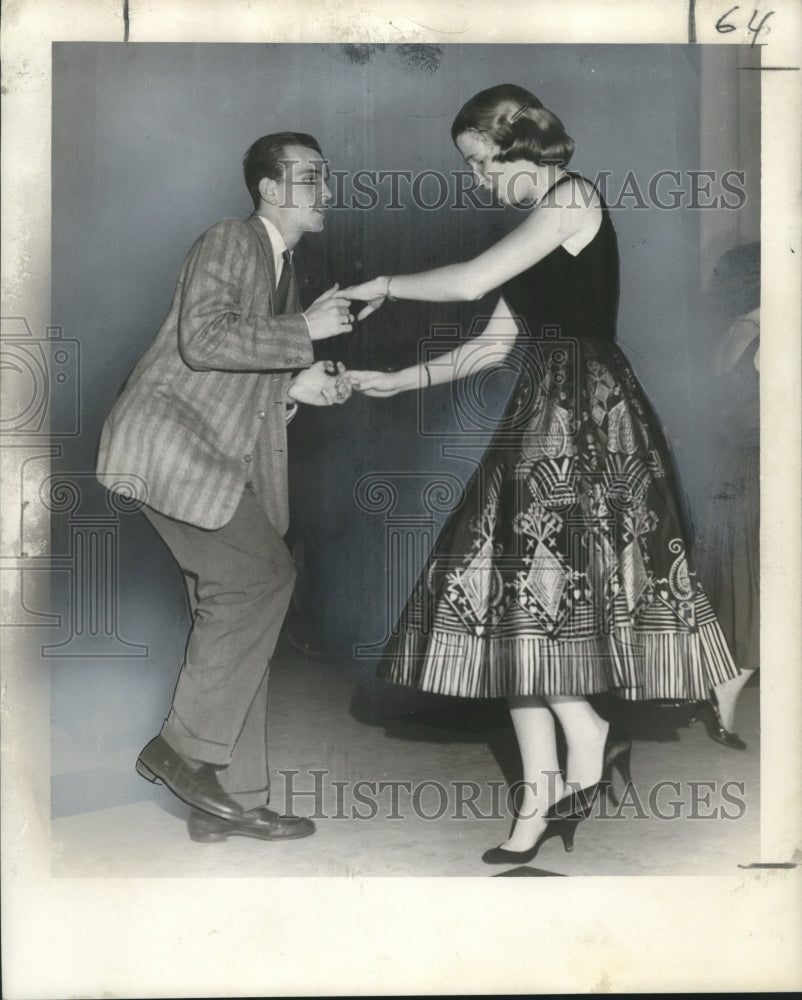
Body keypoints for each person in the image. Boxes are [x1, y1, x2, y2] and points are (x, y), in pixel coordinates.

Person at [342, 84, 741, 864]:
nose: (477, 178)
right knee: (509, 604)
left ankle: (584, 742)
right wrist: (397, 378)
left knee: (538, 599)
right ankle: (540, 798)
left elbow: (462, 282)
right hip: (541, 416)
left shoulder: (570, 199)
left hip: (587, 421)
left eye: (479, 161)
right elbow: (489, 346)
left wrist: (383, 285)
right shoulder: (534, 231)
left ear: (517, 144)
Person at [96, 132, 354, 843]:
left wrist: (302, 382)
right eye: (309, 176)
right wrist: (304, 329)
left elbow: (243, 372)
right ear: (269, 189)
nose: (324, 189)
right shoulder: (232, 240)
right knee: (262, 582)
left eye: (325, 177)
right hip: (170, 447)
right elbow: (203, 340)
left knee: (243, 617)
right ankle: (181, 751)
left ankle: (226, 802)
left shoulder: (282, 268)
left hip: (210, 459)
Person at [691, 243, 760, 749]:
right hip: (757, 476)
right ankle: (722, 697)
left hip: (722, 475)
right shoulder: (771, 333)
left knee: (735, 594)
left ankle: (720, 699)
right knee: (762, 600)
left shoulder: (732, 331)